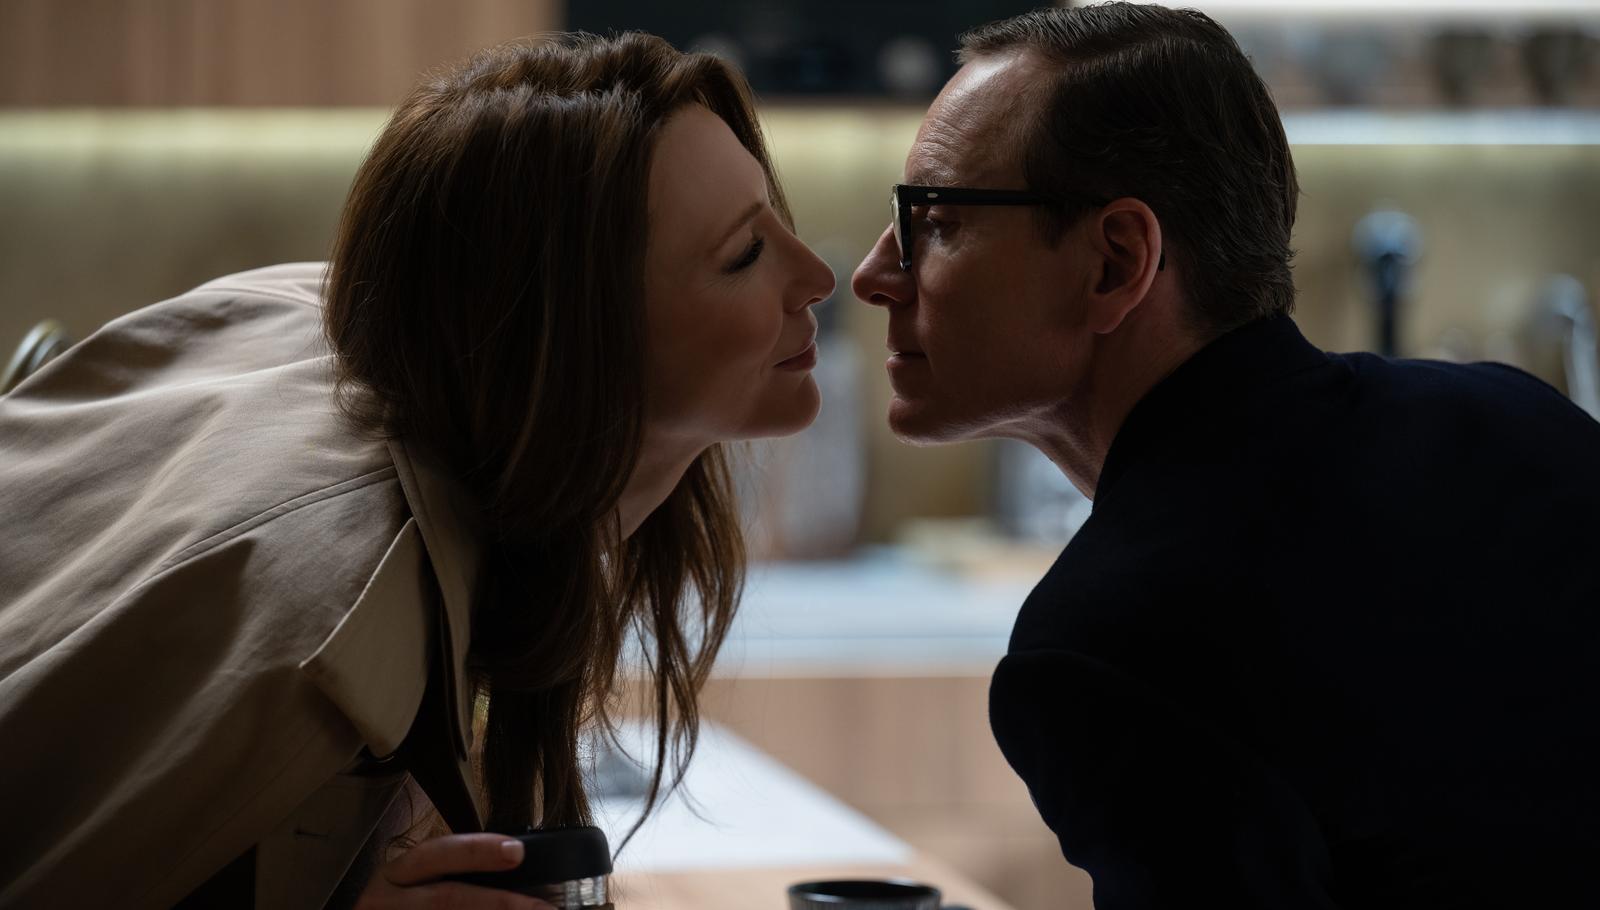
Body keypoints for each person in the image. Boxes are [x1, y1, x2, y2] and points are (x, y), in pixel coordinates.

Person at [0, 31, 833, 909]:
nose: (817, 276)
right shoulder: (341, 624)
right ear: (571, 342)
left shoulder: (378, 336)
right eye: (744, 255)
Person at [851, 3, 1600, 907]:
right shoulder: (1519, 422)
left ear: (1115, 262)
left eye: (933, 221)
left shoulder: (1110, 647)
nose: (874, 275)